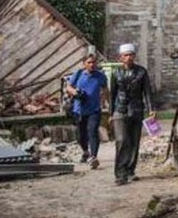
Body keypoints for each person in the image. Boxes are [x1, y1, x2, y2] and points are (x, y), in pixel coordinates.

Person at [109, 42, 155, 185]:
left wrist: (151, 109)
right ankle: (120, 173)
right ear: (121, 57)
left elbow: (147, 92)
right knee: (122, 140)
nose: (128, 57)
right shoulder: (116, 73)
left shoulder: (141, 72)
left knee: (134, 141)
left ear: (134, 56)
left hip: (136, 109)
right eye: (125, 55)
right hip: (120, 110)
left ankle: (130, 170)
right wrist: (111, 113)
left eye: (131, 55)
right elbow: (113, 94)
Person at [65, 53, 108, 169]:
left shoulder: (100, 76)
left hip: (94, 109)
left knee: (93, 131)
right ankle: (85, 151)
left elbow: (105, 89)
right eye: (89, 62)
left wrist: (106, 103)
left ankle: (93, 157)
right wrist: (75, 93)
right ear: (84, 64)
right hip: (79, 110)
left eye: (93, 62)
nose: (92, 64)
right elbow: (68, 87)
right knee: (81, 135)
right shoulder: (78, 74)